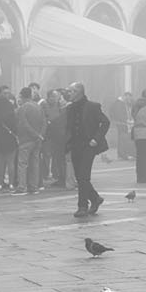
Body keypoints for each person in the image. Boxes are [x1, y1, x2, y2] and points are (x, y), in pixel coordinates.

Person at [66, 82, 111, 217]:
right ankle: (95, 198)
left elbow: (105, 122)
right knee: (80, 177)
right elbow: (68, 128)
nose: (69, 94)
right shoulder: (70, 108)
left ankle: (82, 206)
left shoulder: (92, 106)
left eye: (71, 91)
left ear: (78, 92)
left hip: (88, 146)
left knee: (84, 176)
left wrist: (96, 139)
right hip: (75, 145)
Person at [15, 86, 46, 195]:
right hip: (38, 140)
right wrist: (40, 135)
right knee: (35, 163)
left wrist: (35, 135)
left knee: (22, 164)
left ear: (21, 96)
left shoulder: (23, 108)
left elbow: (23, 124)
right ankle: (34, 186)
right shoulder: (38, 107)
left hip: (26, 139)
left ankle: (21, 187)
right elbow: (44, 122)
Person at [0, 85, 18, 191]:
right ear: (0, 93)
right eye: (5, 93)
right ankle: (11, 183)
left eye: (8, 93)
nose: (7, 95)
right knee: (10, 161)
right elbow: (13, 122)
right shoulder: (9, 106)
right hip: (9, 136)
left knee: (1, 161)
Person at [42, 89, 69, 188]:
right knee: (54, 157)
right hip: (51, 136)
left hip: (61, 137)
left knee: (61, 159)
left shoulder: (64, 108)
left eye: (58, 97)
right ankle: (58, 176)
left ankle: (62, 178)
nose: (56, 99)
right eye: (54, 96)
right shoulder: (44, 105)